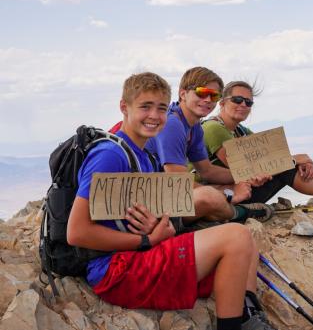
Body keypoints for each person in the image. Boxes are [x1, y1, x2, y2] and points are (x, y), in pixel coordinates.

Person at [67, 72, 275, 330]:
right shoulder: (110, 154)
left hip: (140, 254)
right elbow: (76, 233)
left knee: (246, 244)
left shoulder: (144, 154)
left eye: (161, 108)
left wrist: (155, 227)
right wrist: (147, 240)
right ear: (124, 107)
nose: (154, 115)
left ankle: (249, 315)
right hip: (116, 270)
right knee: (236, 236)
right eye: (145, 106)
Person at [202, 80, 313, 204]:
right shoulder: (213, 128)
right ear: (222, 103)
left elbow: (270, 157)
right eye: (237, 100)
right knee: (286, 167)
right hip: (223, 196)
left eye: (248, 102)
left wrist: (303, 162)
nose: (243, 105)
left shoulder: (240, 131)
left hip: (239, 190)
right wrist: (297, 159)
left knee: (287, 164)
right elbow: (244, 167)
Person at [145, 67, 273, 223]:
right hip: (146, 200)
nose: (207, 100)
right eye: (201, 92)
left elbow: (207, 171)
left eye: (213, 96)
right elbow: (179, 182)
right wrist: (227, 195)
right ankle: (240, 213)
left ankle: (223, 212)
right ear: (183, 93)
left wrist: (246, 177)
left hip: (163, 192)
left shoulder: (195, 127)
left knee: (220, 190)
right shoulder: (173, 124)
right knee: (210, 197)